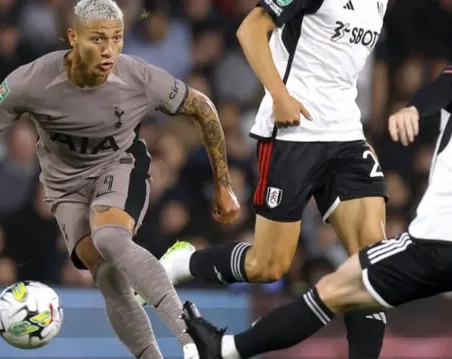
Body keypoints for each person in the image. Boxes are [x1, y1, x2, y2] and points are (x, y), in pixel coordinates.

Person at [180, 16, 452, 359]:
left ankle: (227, 350)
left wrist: (410, 110)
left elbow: (434, 94)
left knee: (333, 290)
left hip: (438, 244)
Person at [0, 1, 240, 359]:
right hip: (64, 187)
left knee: (110, 237)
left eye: (117, 38)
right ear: (72, 37)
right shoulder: (34, 80)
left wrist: (223, 184)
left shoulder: (139, 77)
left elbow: (202, 108)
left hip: (120, 166)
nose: (109, 50)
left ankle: (192, 337)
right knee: (108, 276)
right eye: (97, 39)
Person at [157, 1, 390, 357]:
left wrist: (358, 135)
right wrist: (279, 96)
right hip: (293, 134)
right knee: (267, 266)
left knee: (372, 268)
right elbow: (249, 30)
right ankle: (184, 262)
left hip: (346, 137)